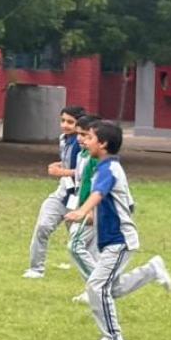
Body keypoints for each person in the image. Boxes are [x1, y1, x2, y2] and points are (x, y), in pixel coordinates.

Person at [61, 121, 171, 340]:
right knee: (112, 289)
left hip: (120, 240)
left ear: (103, 143)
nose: (85, 141)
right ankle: (152, 270)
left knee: (96, 286)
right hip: (112, 240)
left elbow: (99, 193)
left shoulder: (109, 169)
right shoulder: (103, 167)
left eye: (90, 137)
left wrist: (82, 211)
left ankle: (114, 338)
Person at [23, 104, 86, 279]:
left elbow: (86, 171)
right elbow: (68, 162)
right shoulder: (63, 139)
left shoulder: (84, 144)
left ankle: (95, 273)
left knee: (79, 238)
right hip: (63, 191)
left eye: (70, 122)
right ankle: (36, 269)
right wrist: (60, 165)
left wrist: (62, 172)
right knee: (43, 225)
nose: (65, 125)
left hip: (79, 196)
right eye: (63, 121)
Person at [67, 114, 102, 304]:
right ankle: (93, 291)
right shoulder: (82, 155)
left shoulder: (95, 159)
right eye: (78, 134)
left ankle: (100, 286)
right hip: (84, 206)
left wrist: (89, 210)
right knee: (89, 250)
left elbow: (96, 188)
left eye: (85, 135)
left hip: (92, 210)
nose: (80, 139)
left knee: (75, 246)